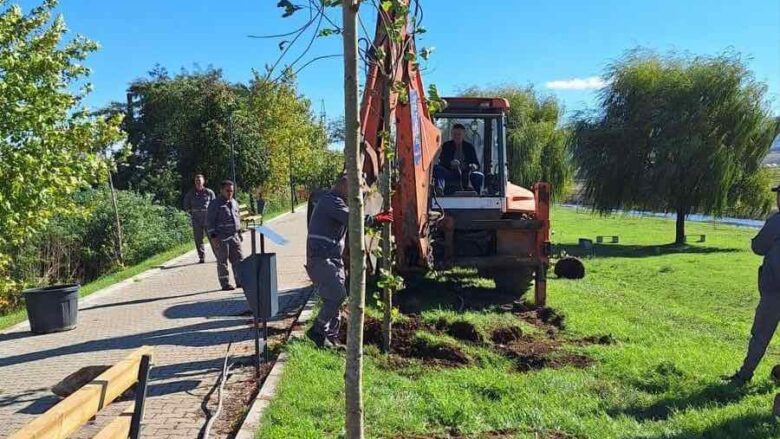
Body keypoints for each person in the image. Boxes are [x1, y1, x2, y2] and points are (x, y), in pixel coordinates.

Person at [305, 175, 392, 349]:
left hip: (332, 257)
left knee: (335, 299)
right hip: (322, 258)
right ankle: (317, 329)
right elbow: (352, 219)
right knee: (337, 296)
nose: (358, 194)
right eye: (356, 190)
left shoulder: (336, 201)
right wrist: (374, 219)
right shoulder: (331, 202)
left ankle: (330, 339)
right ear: (345, 187)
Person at [727, 185, 780, 386]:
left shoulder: (777, 221)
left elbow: (757, 246)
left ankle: (744, 375)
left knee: (761, 335)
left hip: (775, 290)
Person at [207, 180, 243, 291]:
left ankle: (240, 280)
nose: (230, 193)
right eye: (227, 191)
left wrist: (239, 233)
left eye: (231, 191)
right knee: (222, 261)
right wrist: (213, 237)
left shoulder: (234, 202)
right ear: (221, 190)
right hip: (221, 238)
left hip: (234, 236)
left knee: (238, 260)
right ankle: (225, 283)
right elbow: (210, 222)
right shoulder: (215, 204)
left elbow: (237, 218)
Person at [433, 123, 484, 194]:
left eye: (459, 134)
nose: (457, 136)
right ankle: (439, 189)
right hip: (451, 173)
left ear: (463, 135)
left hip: (466, 174)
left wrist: (474, 166)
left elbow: (477, 164)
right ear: (452, 134)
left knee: (478, 176)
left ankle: (477, 196)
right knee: (437, 168)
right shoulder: (446, 146)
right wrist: (450, 163)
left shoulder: (469, 147)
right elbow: (442, 161)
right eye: (454, 134)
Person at [183, 174, 216, 264]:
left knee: (213, 237)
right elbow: (186, 205)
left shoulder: (209, 192)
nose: (198, 183)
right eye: (196, 181)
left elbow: (214, 205)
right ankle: (201, 257)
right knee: (198, 239)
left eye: (199, 181)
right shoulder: (191, 193)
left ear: (203, 182)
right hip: (196, 219)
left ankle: (218, 255)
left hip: (208, 219)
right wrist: (191, 214)